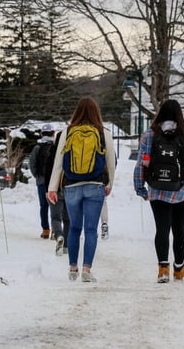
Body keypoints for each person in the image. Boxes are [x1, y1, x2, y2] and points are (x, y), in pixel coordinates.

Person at [133, 99, 184, 283]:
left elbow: (142, 162)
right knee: (180, 231)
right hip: (183, 190)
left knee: (162, 229)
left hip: (157, 190)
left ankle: (163, 269)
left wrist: (140, 187)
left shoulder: (150, 135)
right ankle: (179, 269)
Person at [47, 97, 116, 282]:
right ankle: (86, 269)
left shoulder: (67, 132)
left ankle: (72, 268)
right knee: (91, 229)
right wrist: (109, 184)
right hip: (95, 186)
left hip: (71, 186)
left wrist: (52, 187)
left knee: (75, 228)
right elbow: (110, 162)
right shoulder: (104, 133)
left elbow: (58, 163)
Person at [29, 126, 53, 239]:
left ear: (42, 134)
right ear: (53, 133)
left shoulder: (37, 148)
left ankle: (46, 231)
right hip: (54, 182)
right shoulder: (56, 147)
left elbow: (32, 165)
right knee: (55, 206)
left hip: (42, 182)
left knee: (43, 206)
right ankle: (56, 231)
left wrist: (38, 176)